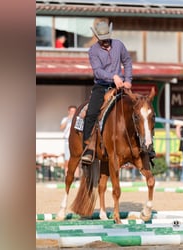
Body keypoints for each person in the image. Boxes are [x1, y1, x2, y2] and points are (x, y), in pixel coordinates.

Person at [80, 21, 133, 164]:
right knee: (91, 114)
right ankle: (88, 148)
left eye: (107, 38)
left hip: (120, 86)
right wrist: (113, 76)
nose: (105, 41)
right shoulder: (93, 51)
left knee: (138, 109)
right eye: (102, 39)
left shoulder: (119, 45)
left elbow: (127, 61)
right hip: (102, 86)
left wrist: (128, 79)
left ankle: (144, 145)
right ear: (97, 38)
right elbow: (97, 71)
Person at [60, 105, 78, 178]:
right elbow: (61, 127)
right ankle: (67, 175)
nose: (72, 113)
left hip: (76, 141)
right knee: (67, 159)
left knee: (76, 158)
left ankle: (76, 176)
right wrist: (68, 119)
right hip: (67, 141)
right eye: (71, 111)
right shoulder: (65, 119)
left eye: (74, 111)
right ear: (68, 111)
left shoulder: (78, 119)